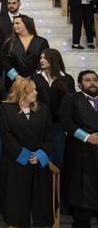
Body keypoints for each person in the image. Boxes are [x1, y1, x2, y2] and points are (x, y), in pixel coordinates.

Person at [0, 78, 53, 228]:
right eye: (32, 89)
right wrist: (25, 156)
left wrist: (40, 155)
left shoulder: (44, 109)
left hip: (38, 162)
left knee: (40, 200)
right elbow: (6, 137)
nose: (36, 92)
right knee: (16, 201)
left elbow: (49, 136)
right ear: (22, 91)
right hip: (15, 161)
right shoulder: (5, 109)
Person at [59, 70, 98, 227]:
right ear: (80, 84)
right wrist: (88, 138)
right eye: (87, 80)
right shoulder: (71, 98)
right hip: (81, 153)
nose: (92, 83)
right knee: (83, 197)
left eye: (95, 80)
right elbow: (66, 122)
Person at [0, 15, 49, 85]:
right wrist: (15, 76)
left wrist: (33, 77)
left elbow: (44, 61)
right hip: (14, 82)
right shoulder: (8, 41)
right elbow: (5, 61)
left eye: (17, 23)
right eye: (14, 24)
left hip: (36, 81)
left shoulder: (42, 41)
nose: (14, 25)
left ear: (26, 24)